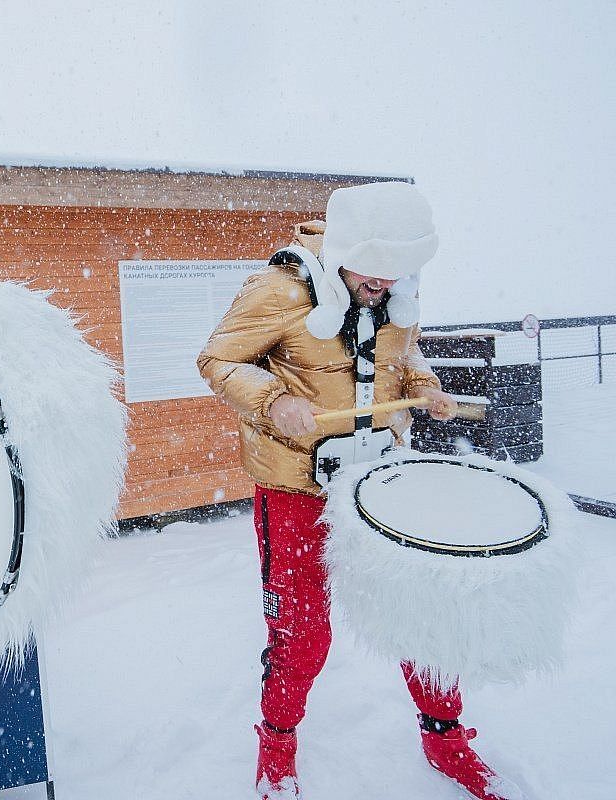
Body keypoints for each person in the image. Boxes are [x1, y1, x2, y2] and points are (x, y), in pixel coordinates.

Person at [197, 181, 518, 800]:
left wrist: (425, 384)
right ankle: (277, 748)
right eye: (372, 271)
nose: (381, 284)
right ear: (344, 246)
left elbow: (404, 354)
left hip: (380, 485)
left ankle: (445, 738)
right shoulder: (280, 287)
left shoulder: (396, 289)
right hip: (297, 489)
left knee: (419, 614)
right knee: (302, 631)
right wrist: (274, 398)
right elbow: (217, 359)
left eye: (396, 274)